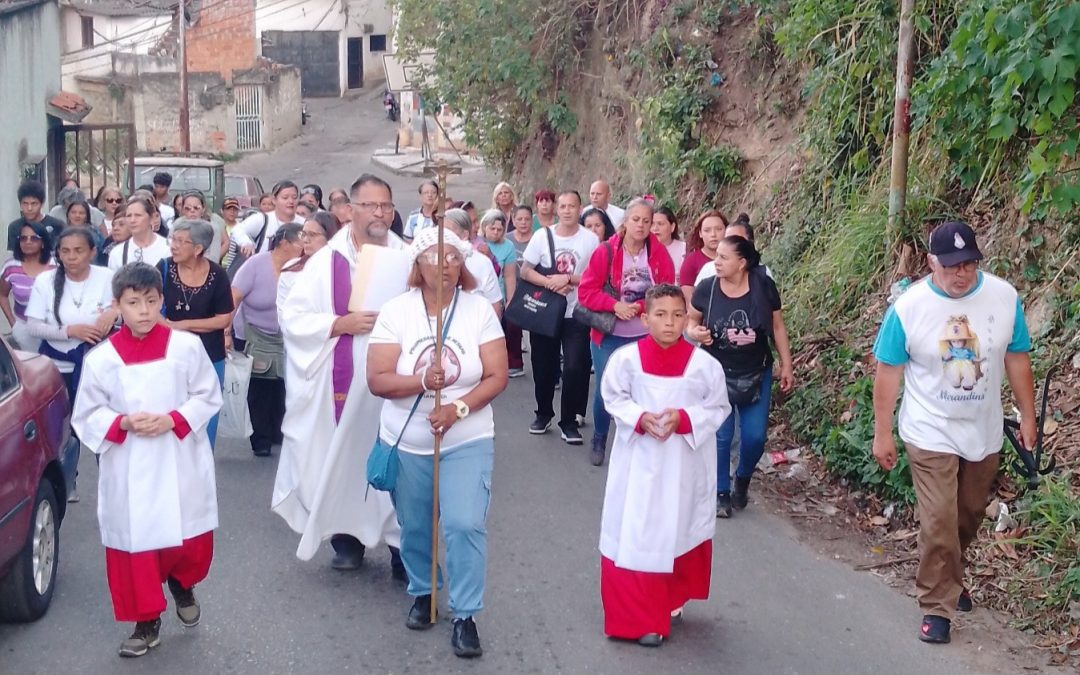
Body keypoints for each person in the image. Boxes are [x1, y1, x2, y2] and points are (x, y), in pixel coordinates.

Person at [871, 221, 1036, 645]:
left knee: (967, 514)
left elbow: (1017, 359)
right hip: (929, 429)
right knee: (940, 518)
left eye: (968, 264)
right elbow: (888, 371)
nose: (960, 273)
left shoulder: (1004, 297)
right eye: (950, 266)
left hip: (982, 429)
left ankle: (951, 574)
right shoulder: (909, 307)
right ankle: (936, 606)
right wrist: (882, 432)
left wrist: (1029, 415)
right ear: (931, 263)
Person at [367, 227, 508, 659]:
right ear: (417, 264)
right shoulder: (397, 311)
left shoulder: (479, 309)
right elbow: (377, 379)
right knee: (415, 524)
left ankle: (465, 614)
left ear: (462, 264)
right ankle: (424, 590)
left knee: (465, 523)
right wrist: (421, 381)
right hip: (408, 441)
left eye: (452, 258)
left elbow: (496, 375)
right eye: (434, 256)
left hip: (466, 437)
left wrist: (457, 409)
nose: (444, 265)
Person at [71, 262, 221, 659]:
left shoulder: (185, 347)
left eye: (151, 302)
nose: (143, 311)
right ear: (117, 305)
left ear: (161, 301)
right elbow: (85, 414)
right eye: (133, 303)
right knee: (136, 542)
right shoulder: (102, 359)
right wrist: (121, 421)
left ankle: (181, 583)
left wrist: (172, 419)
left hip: (178, 456)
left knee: (186, 537)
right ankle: (146, 621)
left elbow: (207, 395)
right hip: (130, 462)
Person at [275, 174, 404, 571]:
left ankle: (404, 548)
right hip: (340, 373)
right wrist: (338, 324)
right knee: (343, 454)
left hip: (394, 374)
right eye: (370, 205)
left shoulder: (406, 256)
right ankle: (347, 539)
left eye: (385, 205)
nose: (379, 213)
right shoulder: (326, 262)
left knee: (401, 457)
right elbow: (294, 317)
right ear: (350, 210)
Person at [598, 284, 730, 647]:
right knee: (638, 532)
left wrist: (683, 419)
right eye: (660, 315)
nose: (669, 323)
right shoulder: (625, 360)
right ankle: (638, 619)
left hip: (683, 462)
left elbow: (718, 408)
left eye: (677, 315)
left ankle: (671, 597)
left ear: (686, 318)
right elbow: (613, 397)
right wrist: (640, 418)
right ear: (645, 318)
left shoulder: (705, 365)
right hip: (639, 462)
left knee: (678, 526)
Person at [687, 235, 795, 517]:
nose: (717, 262)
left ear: (742, 263)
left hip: (756, 371)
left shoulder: (763, 287)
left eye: (724, 258)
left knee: (755, 438)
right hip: (717, 373)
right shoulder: (707, 288)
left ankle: (743, 478)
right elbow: (690, 321)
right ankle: (721, 492)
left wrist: (787, 364)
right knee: (721, 437)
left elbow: (778, 327)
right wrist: (693, 332)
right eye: (716, 256)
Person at [578, 198, 675, 466]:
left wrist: (640, 306)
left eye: (647, 221)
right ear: (625, 222)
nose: (641, 226)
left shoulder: (658, 253)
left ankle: (637, 439)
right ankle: (599, 436)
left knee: (642, 389)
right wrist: (615, 305)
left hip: (644, 333)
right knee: (606, 389)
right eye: (636, 220)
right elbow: (586, 292)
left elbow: (667, 290)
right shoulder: (606, 252)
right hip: (609, 333)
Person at [519, 190, 599, 443]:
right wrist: (550, 283)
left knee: (575, 366)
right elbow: (525, 271)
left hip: (576, 312)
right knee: (543, 366)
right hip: (546, 311)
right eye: (562, 206)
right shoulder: (542, 237)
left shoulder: (590, 240)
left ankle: (568, 421)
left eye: (572, 206)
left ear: (580, 209)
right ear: (556, 210)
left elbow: (596, 276)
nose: (566, 210)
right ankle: (543, 413)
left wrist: (569, 279)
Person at [159, 219, 234, 450]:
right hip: (170, 356)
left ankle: (202, 474)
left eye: (182, 241)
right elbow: (150, 306)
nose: (174, 246)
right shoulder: (163, 268)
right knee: (172, 415)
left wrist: (182, 325)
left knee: (206, 417)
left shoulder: (217, 274)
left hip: (210, 356)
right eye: (174, 239)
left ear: (198, 249)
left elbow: (224, 319)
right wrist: (168, 326)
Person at [229, 224, 303, 457]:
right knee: (260, 387)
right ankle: (260, 438)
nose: (306, 246)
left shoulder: (305, 267)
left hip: (289, 336)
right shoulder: (255, 265)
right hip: (254, 334)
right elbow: (233, 298)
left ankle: (277, 431)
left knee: (282, 385)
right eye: (301, 241)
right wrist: (225, 333)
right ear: (284, 244)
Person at [26, 227, 117, 403]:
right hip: (56, 367)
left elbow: (123, 311)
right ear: (58, 254)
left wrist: (114, 313)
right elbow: (33, 326)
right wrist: (70, 331)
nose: (71, 257)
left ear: (92, 252)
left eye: (78, 250)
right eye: (65, 251)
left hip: (97, 366)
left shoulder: (107, 277)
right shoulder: (45, 281)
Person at [0, 222, 54, 352]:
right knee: (34, 368)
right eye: (23, 238)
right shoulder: (10, 266)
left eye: (34, 238)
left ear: (43, 242)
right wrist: (14, 324)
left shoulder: (56, 265)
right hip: (25, 328)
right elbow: (2, 295)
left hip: (54, 327)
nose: (28, 242)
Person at [442, 209, 505, 317]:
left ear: (464, 235)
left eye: (448, 232)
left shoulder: (482, 263)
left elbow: (495, 305)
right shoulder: (432, 261)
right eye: (440, 232)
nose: (443, 237)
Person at [694, 214, 774, 285]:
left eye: (737, 240)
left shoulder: (762, 273)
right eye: (727, 240)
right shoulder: (709, 270)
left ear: (750, 242)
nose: (731, 245)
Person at [231, 181, 303, 256]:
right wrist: (246, 243)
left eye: (294, 198)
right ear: (274, 200)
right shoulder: (262, 219)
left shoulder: (304, 224)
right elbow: (237, 229)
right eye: (285, 198)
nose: (291, 201)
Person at [505, 205, 534, 378]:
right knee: (512, 325)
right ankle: (515, 363)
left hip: (534, 287)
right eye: (519, 219)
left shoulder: (539, 238)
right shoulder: (507, 240)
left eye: (527, 219)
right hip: (513, 286)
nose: (523, 222)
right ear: (513, 220)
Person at [108, 196, 171, 270]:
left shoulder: (168, 247)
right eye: (129, 216)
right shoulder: (117, 253)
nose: (132, 220)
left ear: (151, 218)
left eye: (138, 215)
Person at [679, 210, 728, 304]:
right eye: (707, 230)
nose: (713, 234)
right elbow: (690, 303)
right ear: (700, 233)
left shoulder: (736, 259)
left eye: (718, 229)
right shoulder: (691, 262)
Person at [7, 179, 64, 253]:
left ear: (42, 203)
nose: (29, 208)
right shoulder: (14, 227)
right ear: (20, 204)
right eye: (25, 203)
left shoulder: (57, 225)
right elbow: (13, 255)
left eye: (34, 203)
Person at [178, 191, 228, 262]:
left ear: (203, 209)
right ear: (182, 210)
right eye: (188, 208)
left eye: (196, 208)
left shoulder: (213, 228)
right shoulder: (177, 226)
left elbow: (214, 257)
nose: (192, 211)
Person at [651, 206, 685, 283]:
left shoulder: (684, 249)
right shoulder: (643, 251)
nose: (655, 228)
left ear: (672, 227)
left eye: (660, 224)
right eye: (652, 224)